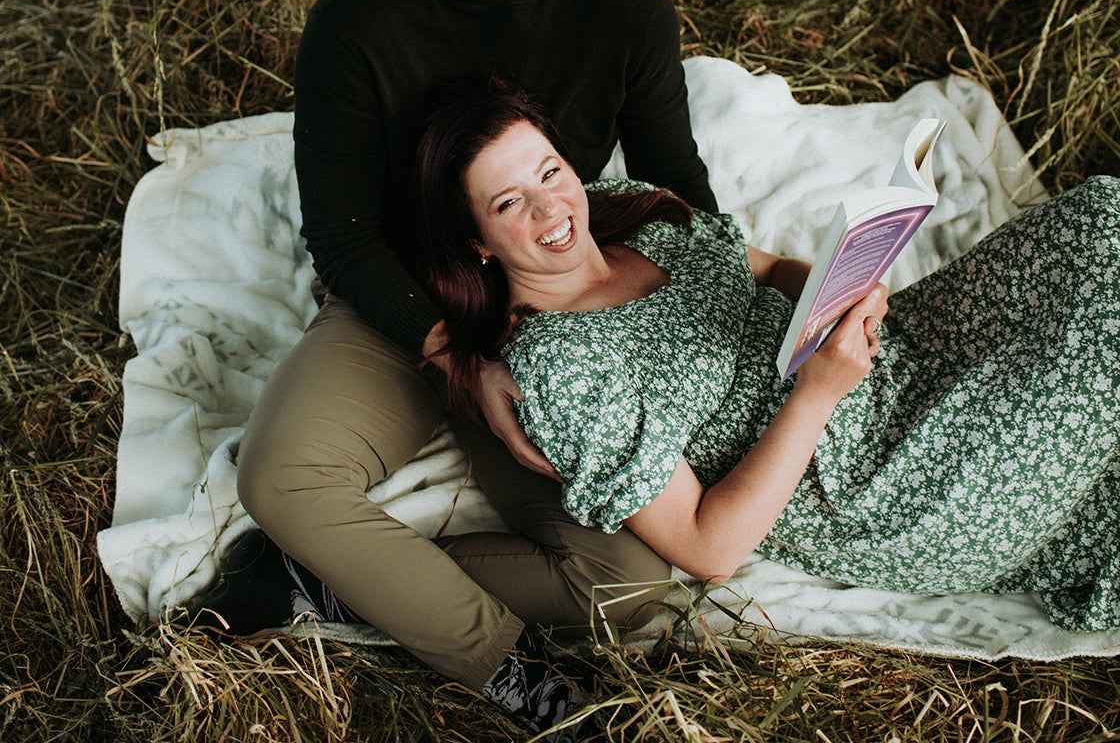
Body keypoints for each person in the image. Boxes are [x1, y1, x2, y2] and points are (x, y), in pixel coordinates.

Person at [199, 0, 719, 740]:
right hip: (406, 303)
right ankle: (517, 677)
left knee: (631, 585)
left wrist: (744, 294)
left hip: (553, 316)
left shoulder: (624, 4)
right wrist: (450, 355)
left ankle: (333, 586)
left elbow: (674, 187)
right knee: (281, 474)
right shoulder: (360, 17)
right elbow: (342, 236)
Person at [414, 83, 1120, 633]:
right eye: (510, 203)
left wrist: (843, 284)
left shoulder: (618, 209)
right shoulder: (561, 367)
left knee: (1102, 218)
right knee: (1105, 338)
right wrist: (816, 393)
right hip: (884, 483)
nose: (551, 208)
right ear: (476, 240)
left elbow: (771, 266)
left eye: (551, 171)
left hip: (896, 354)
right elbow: (706, 549)